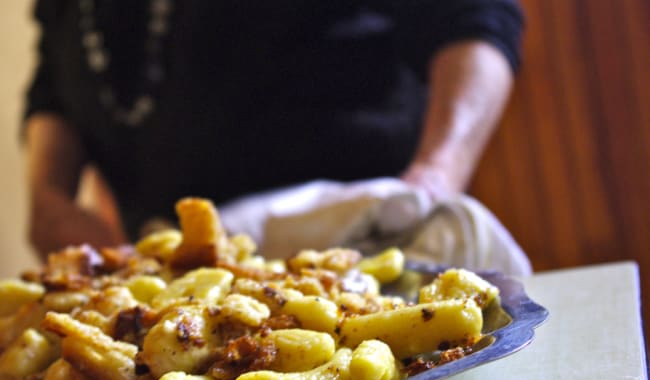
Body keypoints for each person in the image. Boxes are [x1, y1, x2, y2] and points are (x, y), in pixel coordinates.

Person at [24, 0, 524, 260]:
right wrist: (48, 198)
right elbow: (54, 87)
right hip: (176, 279)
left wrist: (434, 176)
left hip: (370, 251)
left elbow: (473, 18)